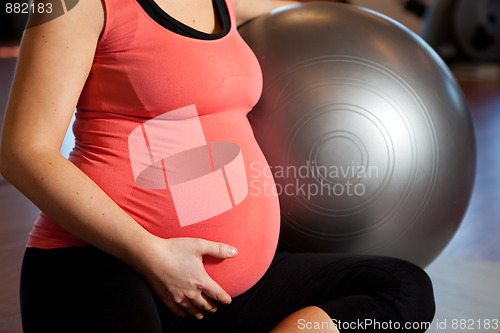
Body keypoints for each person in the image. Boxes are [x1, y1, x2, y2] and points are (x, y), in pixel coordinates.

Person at [0, 0, 435, 332]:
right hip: (105, 264)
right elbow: (23, 151)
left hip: (216, 293)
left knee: (401, 288)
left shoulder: (223, 2)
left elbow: (299, 10)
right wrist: (153, 254)